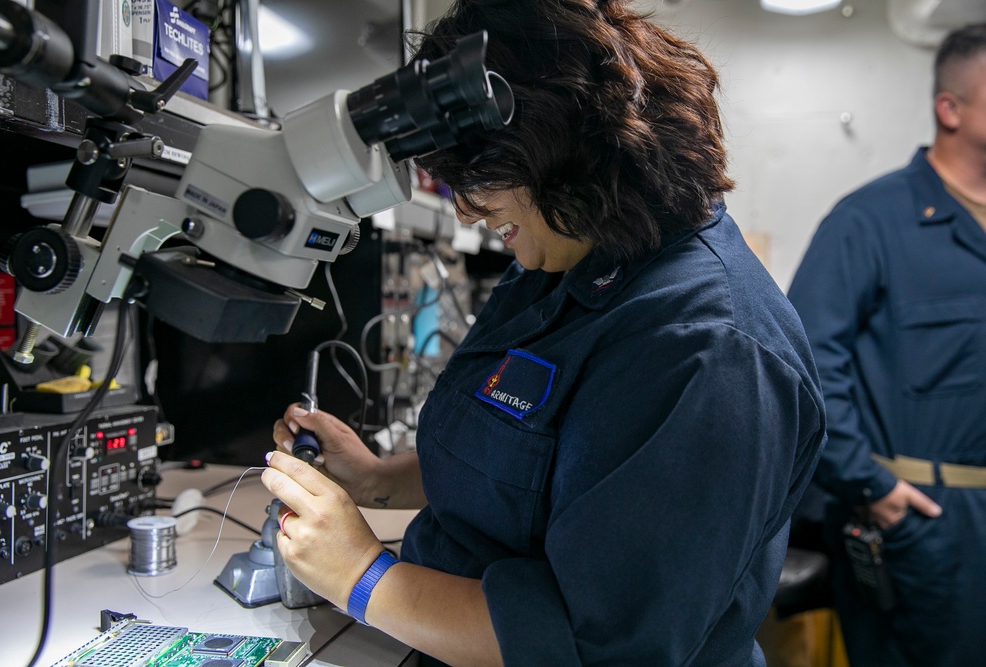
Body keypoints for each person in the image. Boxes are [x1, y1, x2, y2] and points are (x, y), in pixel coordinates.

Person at [261, 1, 826, 664]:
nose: (468, 208)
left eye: (479, 180)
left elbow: (591, 643)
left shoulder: (709, 350)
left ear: (559, 146)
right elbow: (531, 464)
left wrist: (360, 576)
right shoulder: (574, 255)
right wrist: (377, 479)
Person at [786, 22, 986, 667]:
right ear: (949, 108)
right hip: (922, 523)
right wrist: (873, 487)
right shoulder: (870, 221)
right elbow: (804, 366)